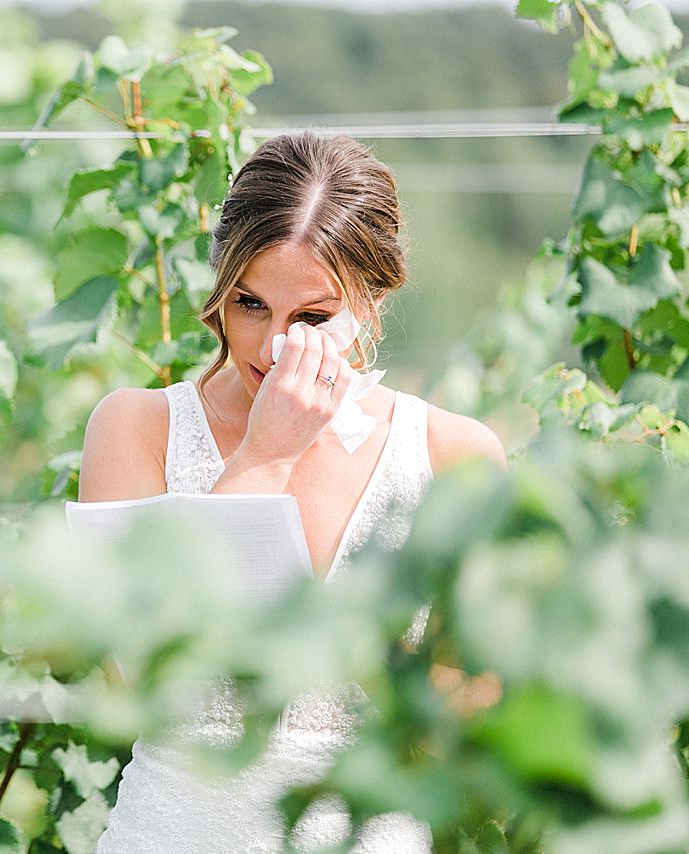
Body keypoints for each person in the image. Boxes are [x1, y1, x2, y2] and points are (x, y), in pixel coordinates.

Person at [79, 132, 505, 852]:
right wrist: (264, 456)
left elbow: (468, 719)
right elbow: (133, 680)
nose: (274, 347)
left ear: (372, 301)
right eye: (249, 304)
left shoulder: (454, 455)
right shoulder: (136, 429)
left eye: (311, 318)